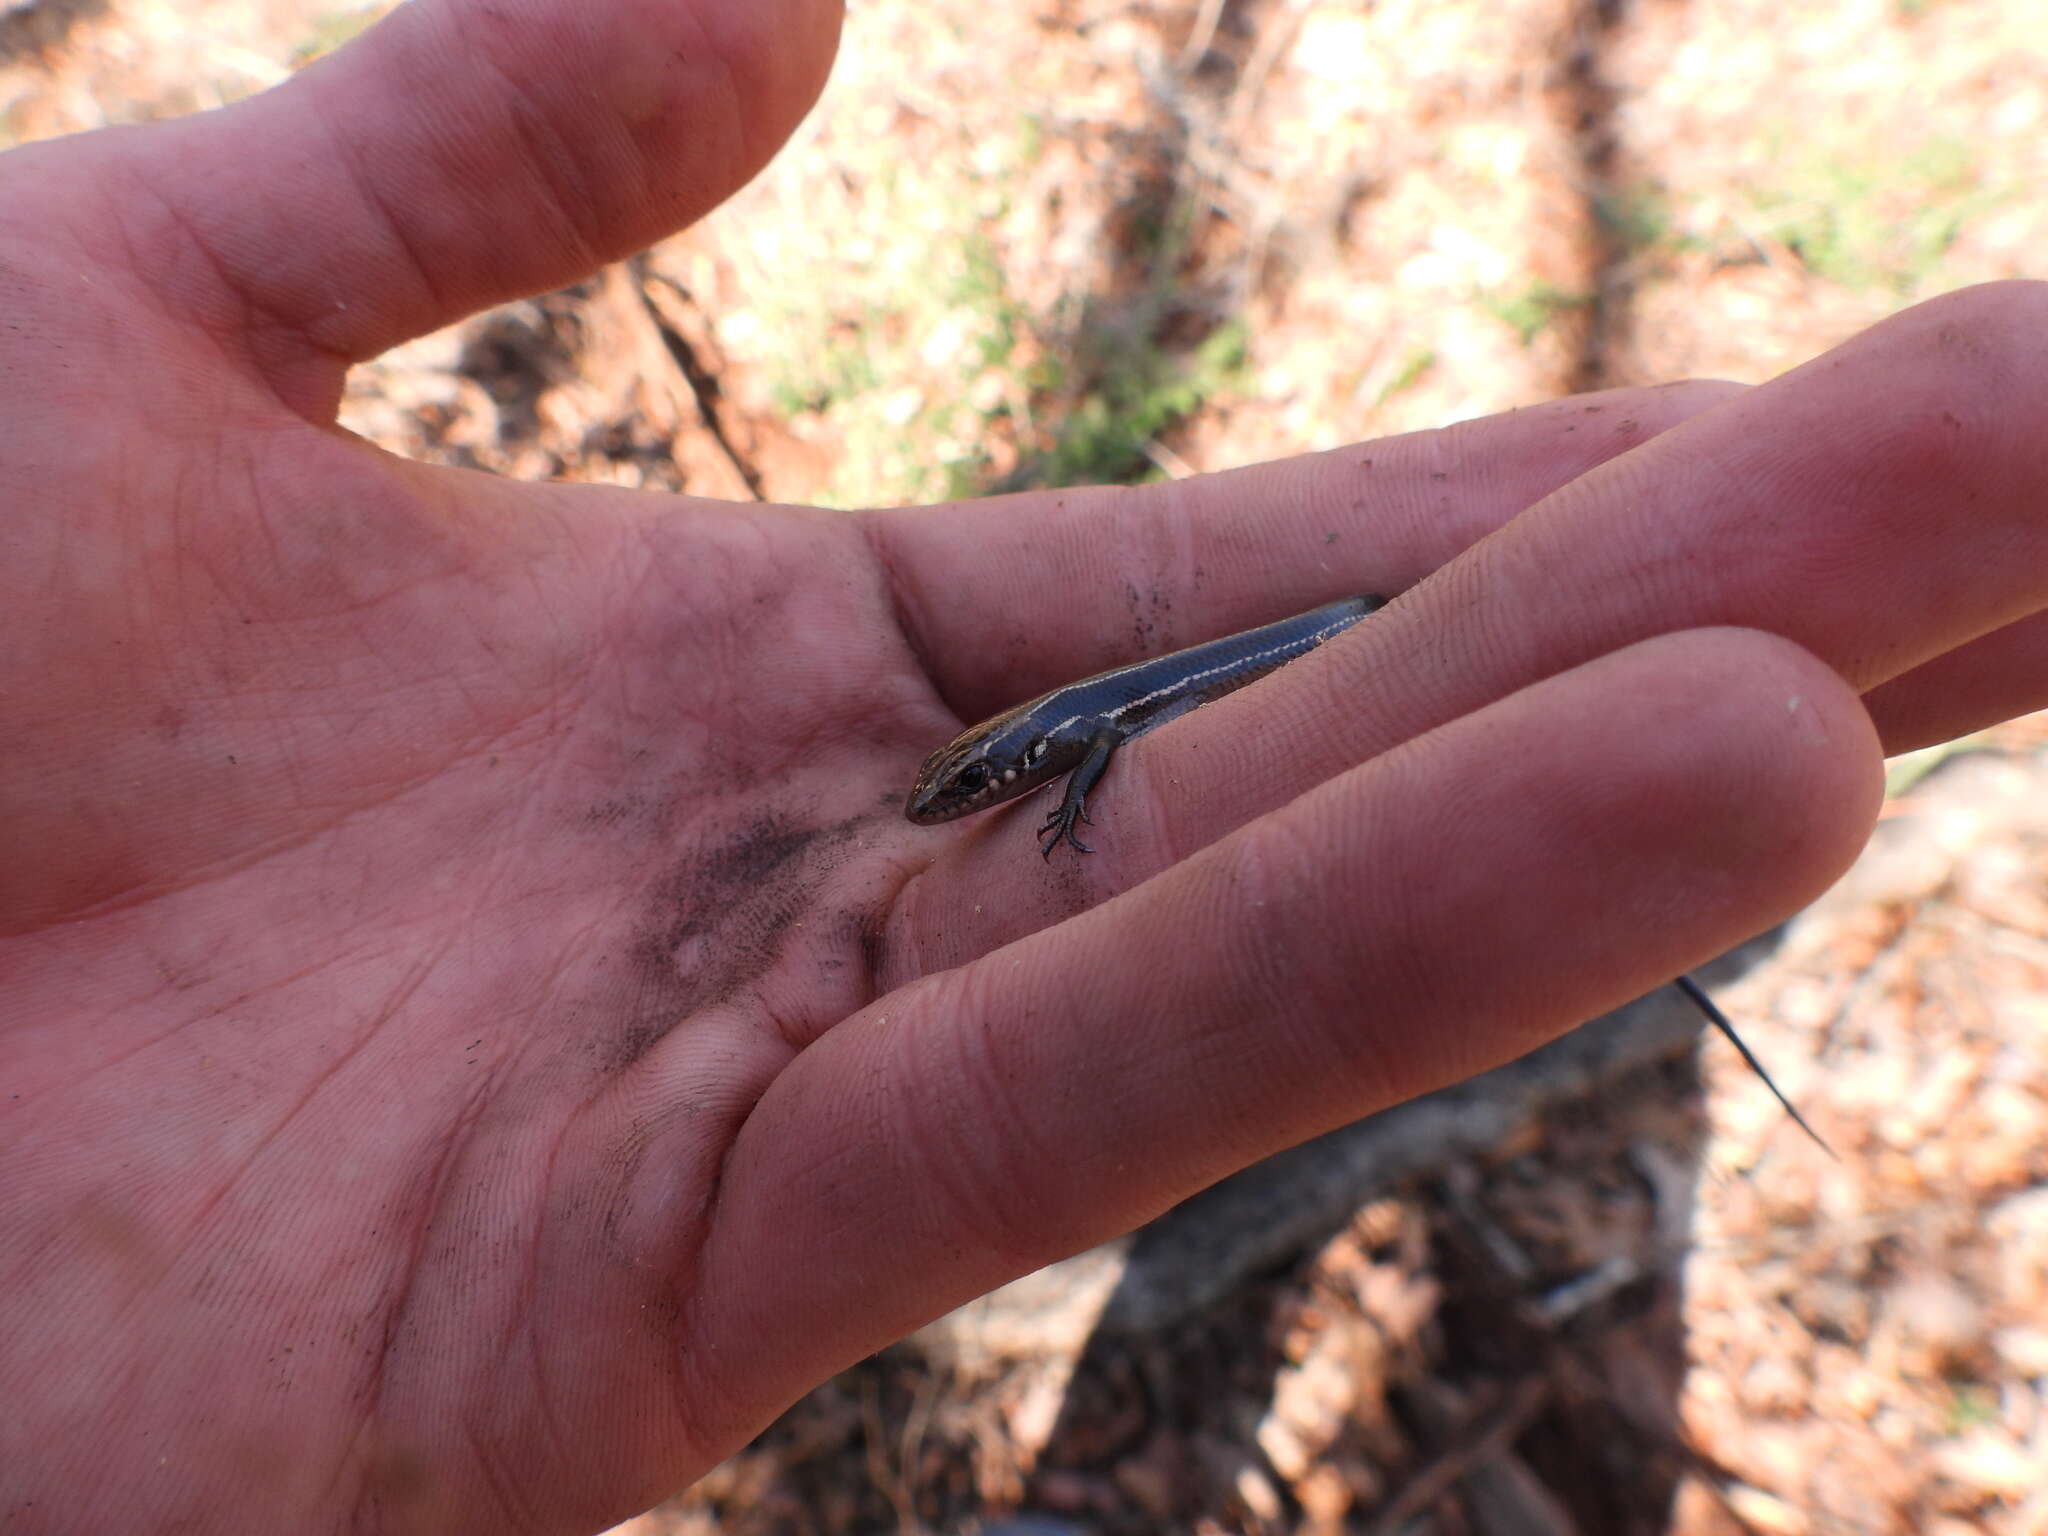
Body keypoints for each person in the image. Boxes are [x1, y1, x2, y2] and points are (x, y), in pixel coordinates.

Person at [1, 1, 2042, 1530]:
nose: (969, 804)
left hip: (1316, 648)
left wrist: (1061, 800)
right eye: (982, 794)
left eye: (975, 797)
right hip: (1276, 664)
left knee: (1473, 696)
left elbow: (1086, 754)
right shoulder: (1019, 742)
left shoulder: (1044, 749)